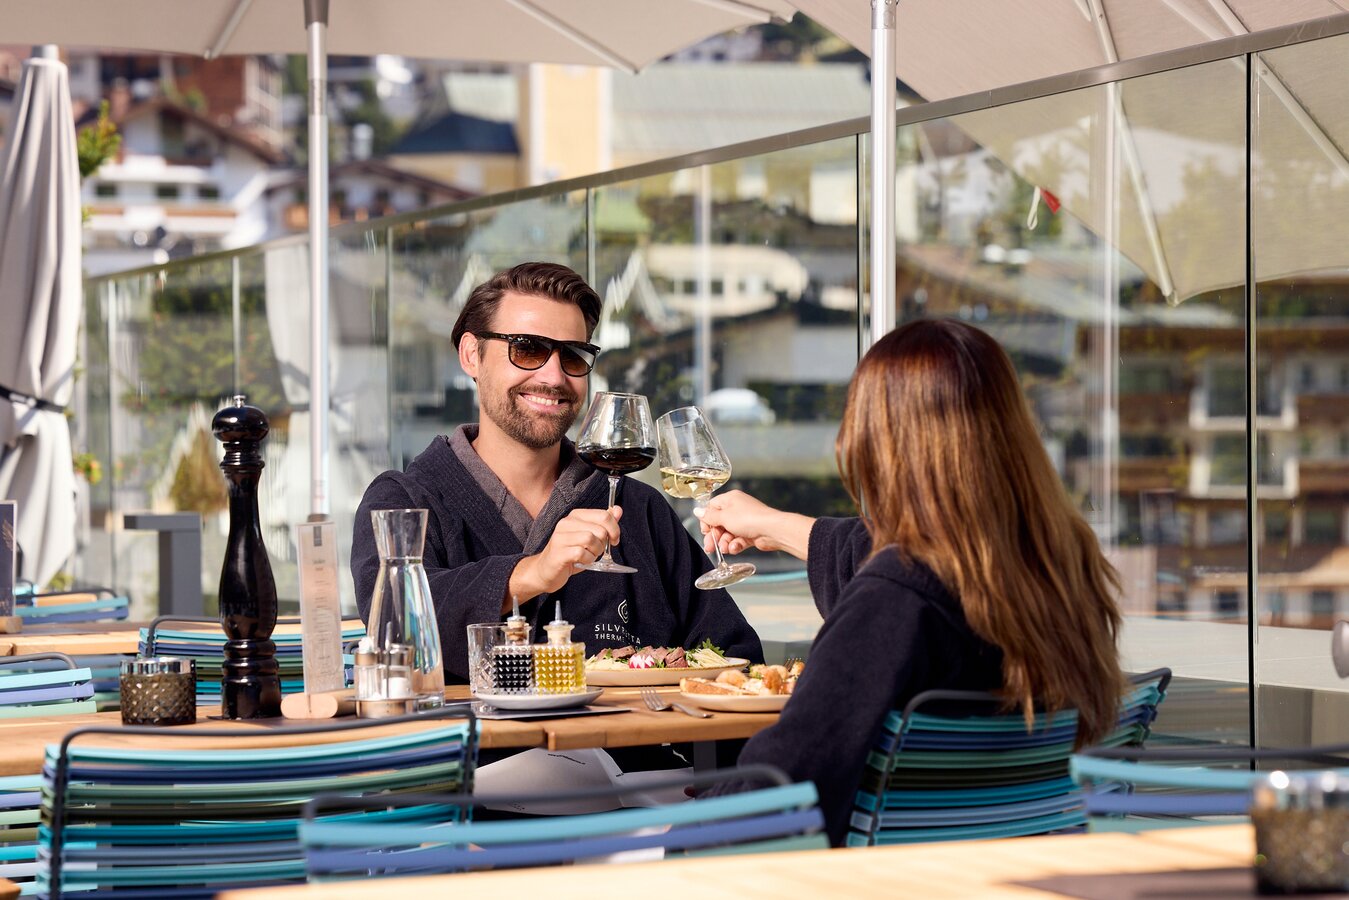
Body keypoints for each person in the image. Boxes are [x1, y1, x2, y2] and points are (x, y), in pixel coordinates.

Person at [698, 318, 1124, 846]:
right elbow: (893, 555)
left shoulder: (895, 600)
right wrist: (772, 525)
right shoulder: (1065, 572)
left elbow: (783, 788)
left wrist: (676, 833)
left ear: (879, 443)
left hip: (881, 875)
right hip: (1010, 865)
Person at [351, 262, 762, 682]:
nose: (554, 376)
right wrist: (530, 573)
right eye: (527, 348)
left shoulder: (638, 511)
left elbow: (735, 658)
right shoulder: (402, 502)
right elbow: (393, 629)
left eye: (572, 355)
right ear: (472, 355)